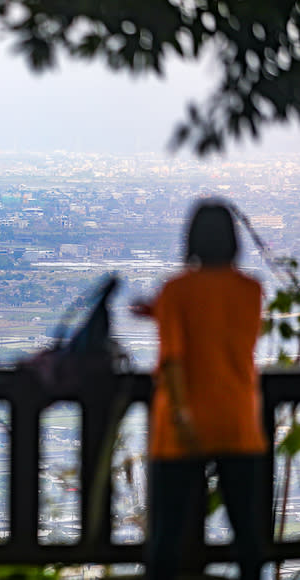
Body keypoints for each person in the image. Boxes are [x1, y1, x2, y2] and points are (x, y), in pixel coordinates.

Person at [133, 200, 267, 580]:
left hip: (182, 424)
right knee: (248, 534)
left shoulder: (176, 291)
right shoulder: (251, 290)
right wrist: (164, 311)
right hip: (238, 419)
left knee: (167, 535)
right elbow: (220, 333)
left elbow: (174, 358)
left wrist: (181, 413)